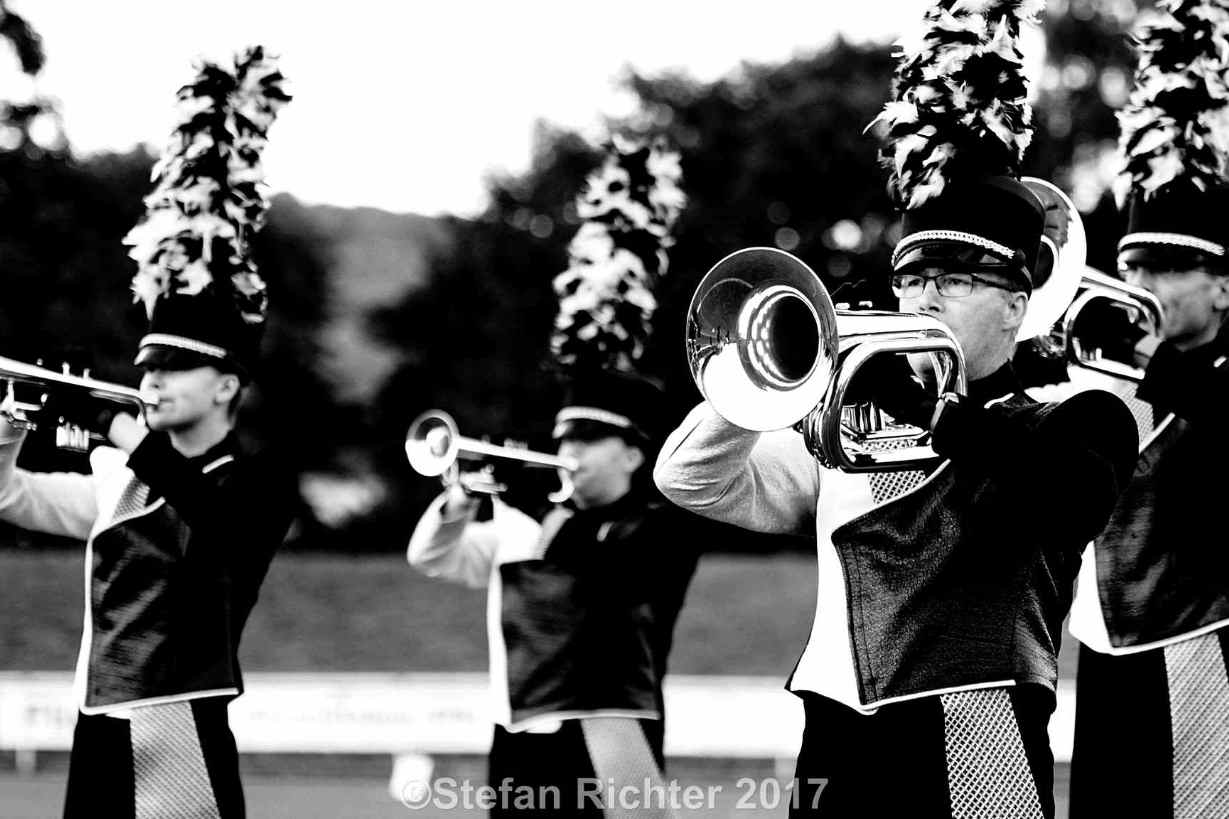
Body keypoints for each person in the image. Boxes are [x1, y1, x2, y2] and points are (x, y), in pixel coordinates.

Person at [408, 370, 700, 817]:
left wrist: (539, 507)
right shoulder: (527, 524)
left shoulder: (660, 528)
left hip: (609, 730)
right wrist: (461, 497)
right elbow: (431, 557)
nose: (571, 451)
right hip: (517, 733)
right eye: (565, 438)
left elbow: (600, 582)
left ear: (632, 455)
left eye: (590, 438)